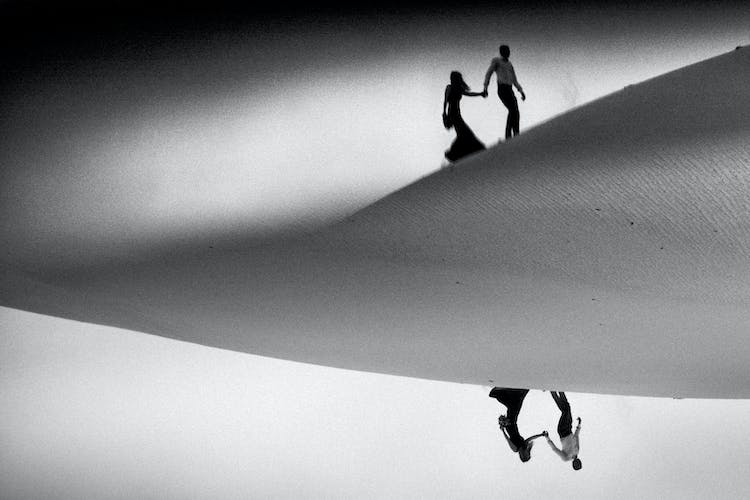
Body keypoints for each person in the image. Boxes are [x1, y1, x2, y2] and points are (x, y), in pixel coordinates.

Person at [489, 387, 546, 462]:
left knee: (515, 406)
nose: (528, 453)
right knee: (513, 406)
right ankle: (497, 394)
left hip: (509, 425)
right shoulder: (523, 445)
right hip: (513, 423)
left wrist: (502, 430)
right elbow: (531, 438)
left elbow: (508, 440)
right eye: (528, 454)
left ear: (523, 455)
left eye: (527, 455)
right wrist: (541, 435)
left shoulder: (515, 449)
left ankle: (498, 394)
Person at [483, 44, 526, 140]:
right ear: (502, 52)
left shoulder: (510, 64)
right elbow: (489, 73)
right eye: (505, 51)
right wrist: (485, 87)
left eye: (508, 51)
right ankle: (508, 135)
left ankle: (516, 132)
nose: (508, 53)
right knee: (512, 110)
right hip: (502, 89)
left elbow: (514, 79)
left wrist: (521, 91)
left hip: (509, 89)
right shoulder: (497, 61)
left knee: (516, 111)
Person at [443, 71, 486, 162]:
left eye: (452, 78)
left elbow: (469, 94)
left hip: (457, 114)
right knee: (464, 133)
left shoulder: (459, 88)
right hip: (452, 114)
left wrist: (480, 94)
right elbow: (445, 101)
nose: (451, 79)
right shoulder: (449, 88)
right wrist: (444, 114)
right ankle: (453, 154)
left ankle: (454, 154)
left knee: (463, 133)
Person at [545, 391, 582, 470]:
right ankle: (559, 390)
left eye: (576, 464)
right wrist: (579, 425)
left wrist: (547, 438)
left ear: (573, 464)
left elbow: (555, 449)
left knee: (566, 411)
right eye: (579, 463)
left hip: (562, 431)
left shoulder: (566, 458)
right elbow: (576, 436)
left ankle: (553, 391)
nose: (577, 462)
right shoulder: (577, 450)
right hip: (569, 428)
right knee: (567, 407)